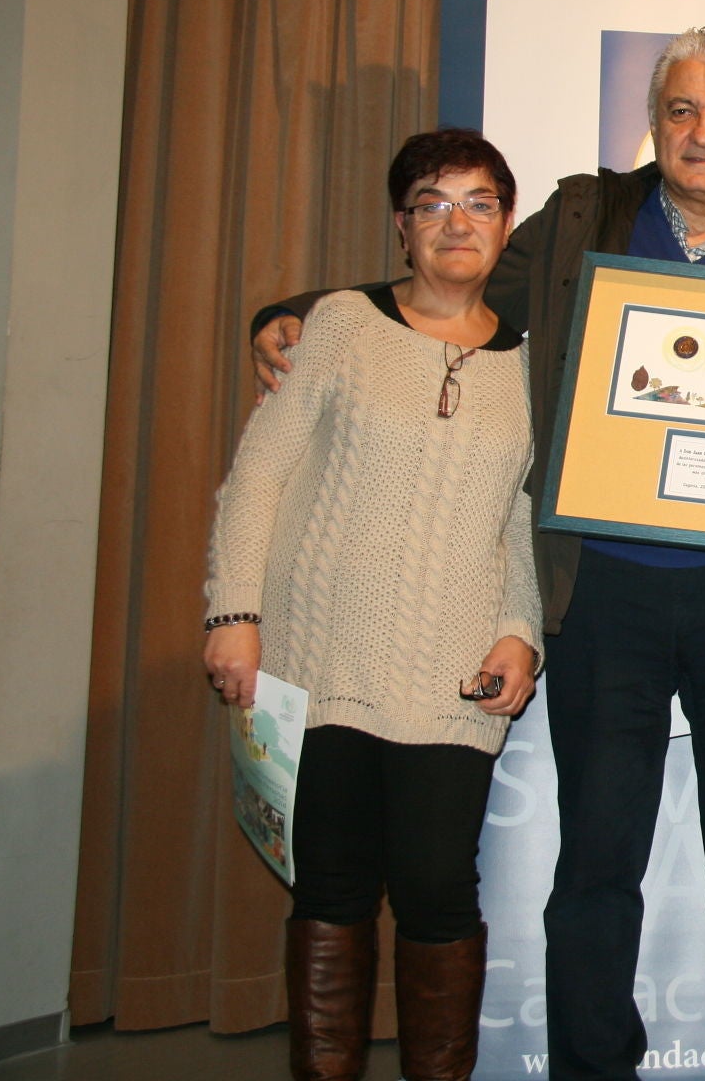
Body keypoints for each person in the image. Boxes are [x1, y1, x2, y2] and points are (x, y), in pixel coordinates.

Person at [253, 28, 705, 1081]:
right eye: (682, 110)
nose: (702, 133)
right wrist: (299, 316)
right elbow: (454, 298)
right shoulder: (581, 219)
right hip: (603, 597)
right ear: (653, 121)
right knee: (597, 864)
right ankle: (592, 1067)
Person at [205, 128, 539, 1081]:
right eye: (432, 203)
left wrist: (520, 634)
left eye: (478, 203)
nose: (456, 222)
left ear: (505, 225)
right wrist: (233, 613)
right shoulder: (340, 327)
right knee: (333, 890)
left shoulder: (528, 365)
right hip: (317, 666)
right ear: (402, 228)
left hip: (454, 679)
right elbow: (258, 475)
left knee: (437, 890)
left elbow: (520, 520)